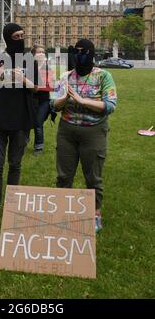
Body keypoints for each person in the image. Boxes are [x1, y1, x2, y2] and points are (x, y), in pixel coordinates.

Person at [53, 39, 117, 233]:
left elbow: (110, 105)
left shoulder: (103, 76)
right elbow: (53, 105)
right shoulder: (65, 76)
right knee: (64, 175)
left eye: (83, 52)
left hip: (94, 131)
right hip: (67, 130)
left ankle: (95, 213)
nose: (79, 56)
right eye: (76, 52)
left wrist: (83, 100)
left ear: (91, 53)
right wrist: (63, 99)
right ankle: (62, 212)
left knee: (93, 175)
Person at [0, 23, 36, 217]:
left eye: (22, 36)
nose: (20, 39)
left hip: (21, 118)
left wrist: (22, 79)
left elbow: (36, 88)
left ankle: (12, 200)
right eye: (16, 36)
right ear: (8, 38)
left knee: (15, 163)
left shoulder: (28, 59)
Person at [31, 44, 56, 156]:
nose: (41, 54)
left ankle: (39, 146)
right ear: (33, 55)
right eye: (38, 52)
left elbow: (51, 86)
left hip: (43, 100)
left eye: (43, 52)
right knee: (26, 122)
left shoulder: (47, 68)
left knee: (38, 123)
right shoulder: (29, 67)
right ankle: (23, 141)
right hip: (30, 100)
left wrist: (33, 85)